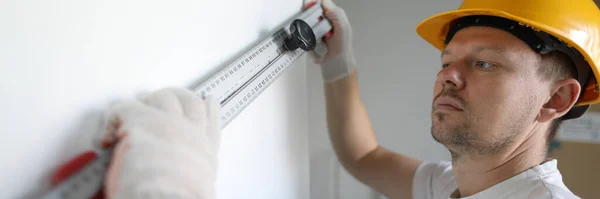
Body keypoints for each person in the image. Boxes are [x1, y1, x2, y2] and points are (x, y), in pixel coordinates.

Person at [98, 0, 600, 198]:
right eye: (447, 60)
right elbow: (364, 157)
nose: (449, 77)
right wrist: (340, 64)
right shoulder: (451, 187)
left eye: (484, 63)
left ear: (555, 99)